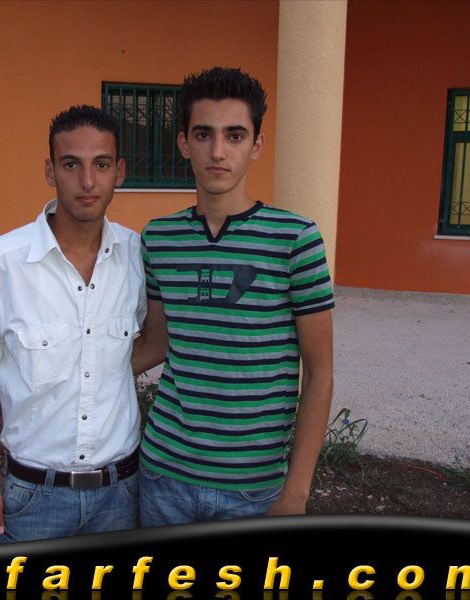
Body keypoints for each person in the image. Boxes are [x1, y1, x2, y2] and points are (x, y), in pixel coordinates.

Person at [132, 67, 334, 525]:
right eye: (203, 134)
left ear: (256, 145)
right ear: (184, 143)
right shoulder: (159, 238)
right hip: (164, 477)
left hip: (254, 490)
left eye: (235, 135)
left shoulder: (295, 239)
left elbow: (319, 372)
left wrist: (297, 492)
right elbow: (156, 344)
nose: (218, 151)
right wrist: (70, 376)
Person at [0, 105, 146, 543]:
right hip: (32, 499)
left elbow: (150, 341)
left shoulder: (136, 256)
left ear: (119, 171)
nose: (87, 181)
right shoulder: (0, 264)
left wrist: (100, 366)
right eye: (71, 164)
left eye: (101, 165)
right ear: (50, 170)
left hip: (121, 495)